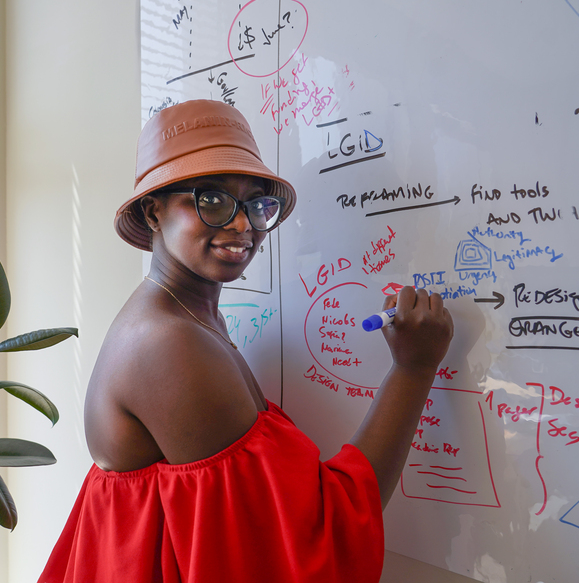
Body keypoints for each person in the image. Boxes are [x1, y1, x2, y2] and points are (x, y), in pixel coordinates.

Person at [38, 99, 453, 583]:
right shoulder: (170, 346)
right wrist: (414, 369)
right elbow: (316, 537)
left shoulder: (189, 314)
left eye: (257, 204)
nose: (242, 226)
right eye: (211, 200)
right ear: (154, 213)